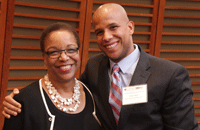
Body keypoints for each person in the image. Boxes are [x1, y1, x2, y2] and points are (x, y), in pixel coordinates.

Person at [2, 3, 198, 130]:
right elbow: (67, 89)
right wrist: (18, 101)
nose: (106, 37)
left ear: (130, 27)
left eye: (113, 27)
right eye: (99, 31)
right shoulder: (95, 66)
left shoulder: (170, 75)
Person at [2, 22, 101, 130]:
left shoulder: (93, 94)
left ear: (78, 52)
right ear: (44, 57)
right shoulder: (22, 103)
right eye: (54, 52)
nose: (64, 57)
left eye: (71, 50)